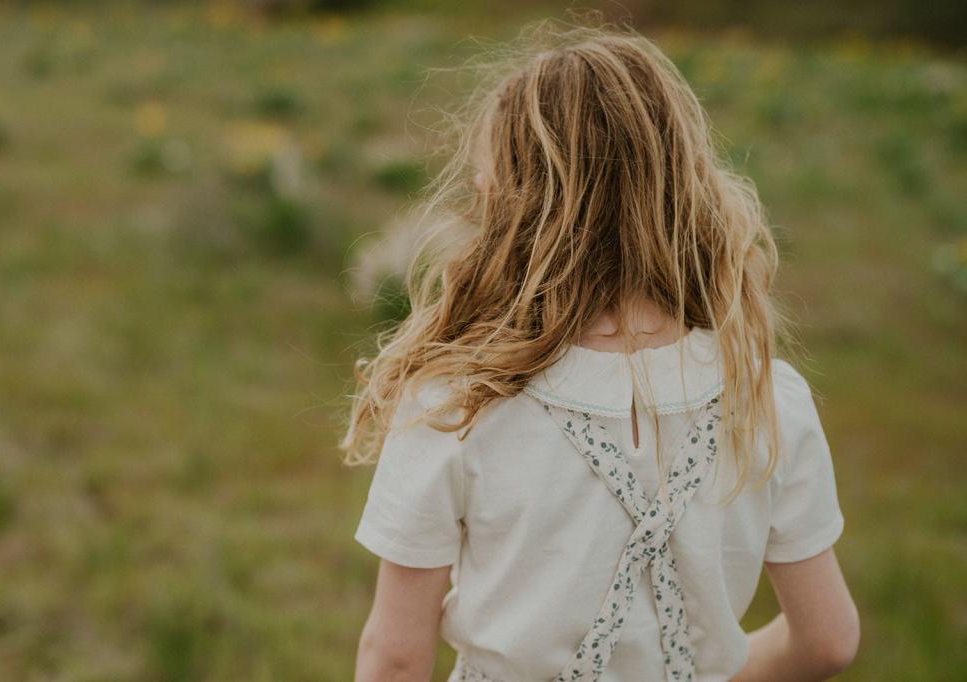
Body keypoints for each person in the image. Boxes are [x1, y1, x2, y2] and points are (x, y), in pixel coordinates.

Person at [343, 24, 859, 682]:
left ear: (507, 200)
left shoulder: (456, 405)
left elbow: (396, 658)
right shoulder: (766, 397)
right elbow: (830, 640)